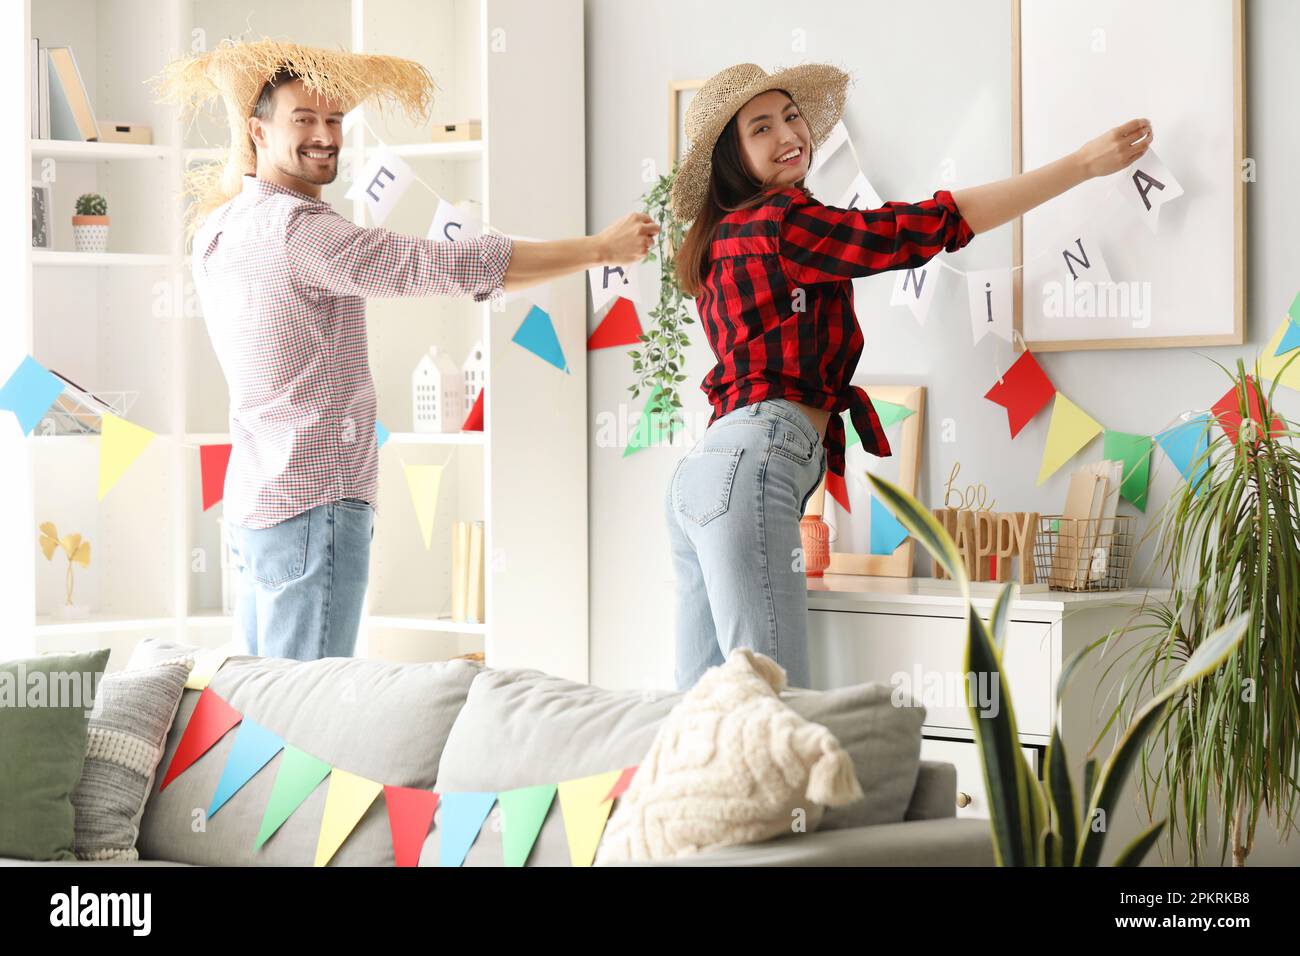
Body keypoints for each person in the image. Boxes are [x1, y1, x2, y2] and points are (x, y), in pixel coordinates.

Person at [154, 39, 656, 661]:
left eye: (334, 120)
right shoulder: (301, 229)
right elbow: (441, 267)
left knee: (265, 708)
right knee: (310, 717)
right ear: (257, 131)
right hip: (315, 504)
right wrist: (597, 250)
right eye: (303, 120)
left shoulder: (217, 229)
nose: (325, 136)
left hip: (255, 505)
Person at [665, 62, 1152, 691]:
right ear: (734, 157)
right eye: (762, 128)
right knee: (773, 711)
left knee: (698, 719)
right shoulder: (784, 223)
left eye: (791, 116)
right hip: (752, 458)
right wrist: (1081, 165)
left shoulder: (721, 239)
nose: (789, 133)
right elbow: (922, 228)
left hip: (700, 473)